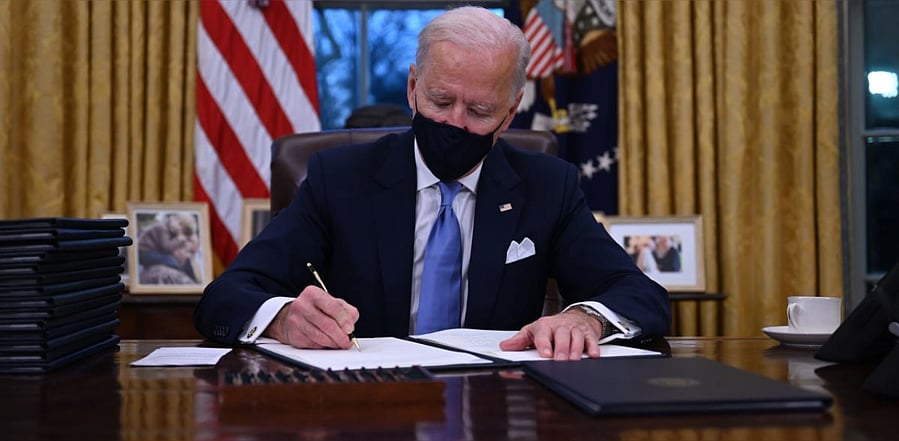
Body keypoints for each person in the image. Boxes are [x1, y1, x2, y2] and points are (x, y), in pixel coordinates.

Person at [194, 6, 670, 361]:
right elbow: (228, 293)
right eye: (440, 101)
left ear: (510, 112)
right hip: (365, 404)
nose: (456, 123)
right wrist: (282, 319)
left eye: (480, 111)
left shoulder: (549, 185)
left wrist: (583, 317)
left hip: (498, 404)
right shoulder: (338, 179)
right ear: (412, 87)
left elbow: (639, 294)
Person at [138, 212, 200, 284]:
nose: (179, 232)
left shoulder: (167, 229)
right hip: (145, 252)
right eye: (181, 228)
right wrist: (178, 240)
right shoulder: (163, 229)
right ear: (176, 221)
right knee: (170, 260)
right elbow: (167, 247)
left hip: (150, 252)